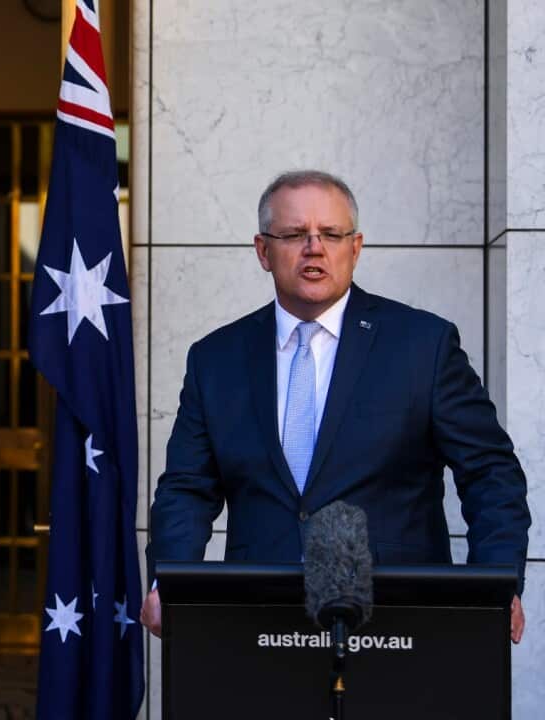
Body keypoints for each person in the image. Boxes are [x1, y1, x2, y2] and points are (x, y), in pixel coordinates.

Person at [139, 170, 529, 643]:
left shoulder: (423, 346)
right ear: (263, 251)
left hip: (398, 623)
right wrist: (169, 581)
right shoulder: (215, 359)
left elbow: (490, 472)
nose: (314, 248)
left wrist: (495, 583)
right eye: (294, 234)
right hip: (255, 622)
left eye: (330, 234)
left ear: (355, 247)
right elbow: (187, 488)